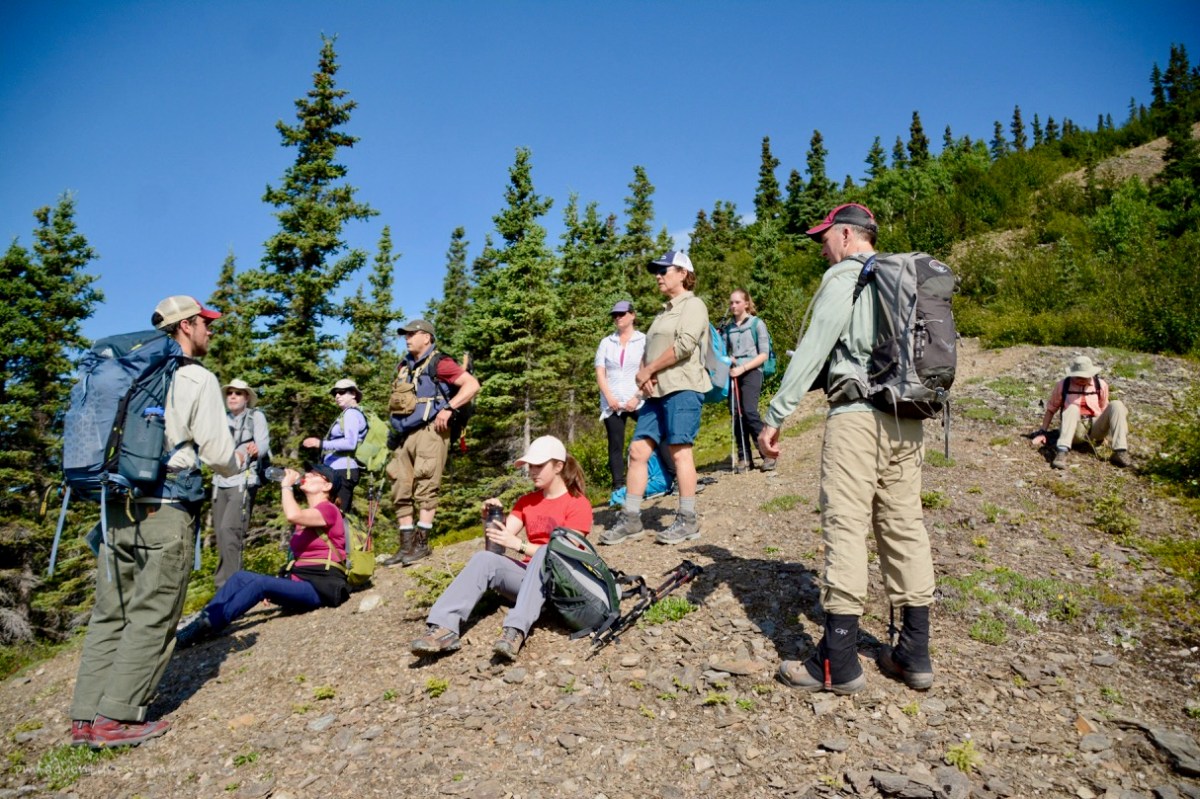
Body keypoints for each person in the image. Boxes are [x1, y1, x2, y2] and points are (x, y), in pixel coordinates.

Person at [757, 203, 936, 695]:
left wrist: (775, 415)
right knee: (904, 527)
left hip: (858, 419)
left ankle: (837, 661)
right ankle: (915, 652)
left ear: (846, 235)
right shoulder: (905, 280)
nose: (822, 249)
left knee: (846, 526)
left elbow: (815, 346)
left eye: (824, 239)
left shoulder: (848, 276)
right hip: (907, 419)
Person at [70, 295, 247, 749]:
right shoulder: (195, 376)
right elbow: (216, 452)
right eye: (205, 322)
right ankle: (117, 718)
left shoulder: (130, 373)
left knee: (111, 612)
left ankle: (85, 717)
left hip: (116, 508)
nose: (210, 330)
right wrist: (238, 460)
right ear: (185, 325)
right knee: (154, 612)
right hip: (165, 508)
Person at [410, 435, 593, 660]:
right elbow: (498, 541)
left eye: (539, 465)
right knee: (484, 559)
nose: (532, 471)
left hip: (561, 584)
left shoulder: (578, 504)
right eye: (530, 466)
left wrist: (519, 545)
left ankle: (514, 630)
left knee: (547, 552)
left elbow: (564, 555)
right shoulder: (526, 502)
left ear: (558, 466)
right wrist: (489, 518)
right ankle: (444, 628)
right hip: (528, 580)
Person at [600, 250, 710, 546]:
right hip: (656, 393)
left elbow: (685, 345)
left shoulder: (693, 305)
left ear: (683, 274)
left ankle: (688, 519)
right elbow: (650, 352)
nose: (658, 276)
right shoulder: (663, 313)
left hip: (683, 387)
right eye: (657, 272)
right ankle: (631, 518)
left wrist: (649, 369)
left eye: (664, 271)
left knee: (679, 451)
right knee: (638, 451)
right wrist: (644, 375)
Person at [175, 464, 350, 648]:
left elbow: (292, 515)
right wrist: (279, 585)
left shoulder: (329, 510)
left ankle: (205, 627)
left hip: (321, 588)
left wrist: (286, 486)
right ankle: (200, 621)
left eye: (315, 475)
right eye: (308, 473)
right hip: (301, 582)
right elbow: (299, 559)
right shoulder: (307, 516)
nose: (307, 475)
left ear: (327, 486)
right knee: (240, 577)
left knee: (260, 584)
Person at [384, 319, 480, 567]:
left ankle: (421, 544)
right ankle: (405, 546)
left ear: (426, 337)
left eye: (412, 334)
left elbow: (471, 385)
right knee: (400, 487)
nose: (407, 338)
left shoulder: (441, 363)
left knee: (426, 484)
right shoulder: (404, 366)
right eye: (405, 335)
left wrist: (448, 408)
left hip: (430, 430)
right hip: (404, 435)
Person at [594, 300, 677, 492]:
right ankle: (618, 487)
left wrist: (637, 397)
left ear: (632, 315)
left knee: (658, 435)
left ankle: (674, 476)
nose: (618, 318)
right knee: (615, 444)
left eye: (621, 314)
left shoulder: (644, 340)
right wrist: (609, 397)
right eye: (615, 315)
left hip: (639, 399)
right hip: (612, 402)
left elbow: (651, 371)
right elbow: (600, 372)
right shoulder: (606, 342)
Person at [211, 379, 270, 589]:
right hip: (219, 482)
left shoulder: (256, 417)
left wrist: (252, 450)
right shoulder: (220, 420)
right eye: (230, 393)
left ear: (247, 398)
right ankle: (222, 588)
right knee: (221, 536)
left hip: (243, 480)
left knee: (230, 530)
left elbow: (263, 445)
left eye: (238, 393)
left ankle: (235, 587)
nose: (233, 396)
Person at [1032, 355, 1131, 469]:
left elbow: (1104, 409)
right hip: (1074, 430)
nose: (1082, 379)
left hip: (1095, 428)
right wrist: (1043, 432)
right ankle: (1062, 452)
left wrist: (1104, 434)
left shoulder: (1101, 385)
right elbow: (1051, 409)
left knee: (1116, 405)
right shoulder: (1063, 385)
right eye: (1078, 376)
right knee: (1073, 408)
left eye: (1085, 376)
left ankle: (1120, 451)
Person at [722, 289, 774, 472]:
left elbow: (764, 354)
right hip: (734, 373)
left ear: (746, 303)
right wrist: (728, 360)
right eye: (731, 302)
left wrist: (743, 367)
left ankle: (767, 452)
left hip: (752, 371)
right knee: (737, 415)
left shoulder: (757, 324)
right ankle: (744, 457)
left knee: (750, 412)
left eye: (737, 302)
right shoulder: (728, 328)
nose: (733, 306)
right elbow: (722, 352)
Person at [302, 378, 364, 511]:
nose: (337, 396)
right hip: (337, 471)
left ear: (353, 394)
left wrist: (320, 444)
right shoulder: (346, 414)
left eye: (341, 392)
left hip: (343, 471)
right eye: (335, 393)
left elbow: (350, 443)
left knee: (338, 515)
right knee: (329, 513)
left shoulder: (351, 413)